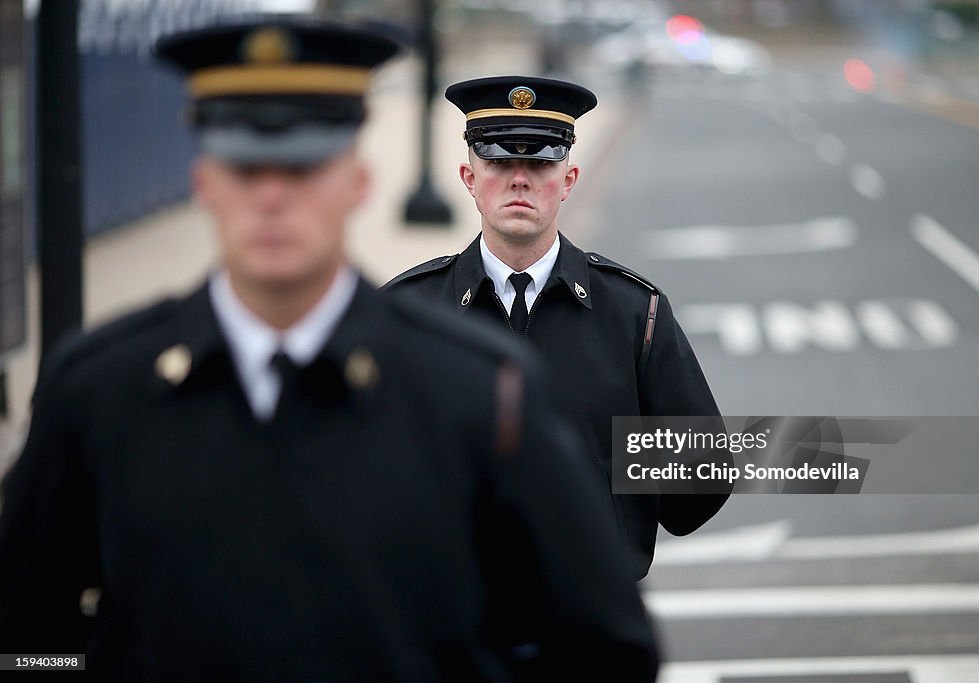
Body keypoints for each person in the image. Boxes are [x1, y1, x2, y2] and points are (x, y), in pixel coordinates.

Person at [0, 21, 659, 680]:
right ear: (205, 181)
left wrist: (616, 469)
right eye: (245, 165)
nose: (273, 195)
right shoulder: (100, 393)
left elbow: (699, 485)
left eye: (304, 165)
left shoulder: (564, 345)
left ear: (357, 182)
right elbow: (25, 635)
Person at [386, 75, 733, 581]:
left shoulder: (634, 313)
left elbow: (702, 481)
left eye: (541, 161)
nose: (519, 179)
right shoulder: (408, 314)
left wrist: (603, 477)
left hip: (589, 622)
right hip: (452, 626)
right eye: (499, 160)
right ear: (468, 176)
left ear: (568, 180)